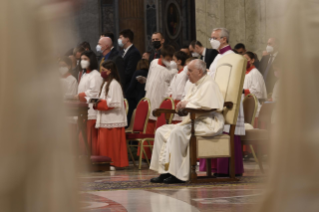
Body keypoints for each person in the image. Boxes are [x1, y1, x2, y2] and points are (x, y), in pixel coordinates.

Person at [149, 59, 225, 184]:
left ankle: (178, 174)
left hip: (209, 122)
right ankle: (165, 171)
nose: (187, 73)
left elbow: (208, 105)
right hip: (195, 121)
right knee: (161, 131)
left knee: (177, 132)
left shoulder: (209, 84)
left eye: (190, 70)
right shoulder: (196, 84)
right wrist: (182, 105)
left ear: (199, 72)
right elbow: (189, 102)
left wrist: (187, 104)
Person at [204, 28, 245, 177]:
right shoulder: (218, 56)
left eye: (214, 37)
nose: (211, 40)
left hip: (227, 99)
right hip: (217, 98)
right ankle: (216, 167)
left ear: (224, 39)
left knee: (227, 130)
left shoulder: (232, 57)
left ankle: (227, 168)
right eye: (211, 37)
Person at [143, 45, 178, 159]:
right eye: (167, 59)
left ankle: (158, 155)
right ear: (161, 56)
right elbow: (149, 78)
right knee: (148, 125)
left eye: (171, 59)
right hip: (150, 96)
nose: (169, 61)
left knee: (158, 125)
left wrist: (173, 67)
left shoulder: (172, 71)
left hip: (161, 99)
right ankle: (146, 155)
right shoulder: (153, 62)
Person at [94, 60, 129, 168]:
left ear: (109, 71)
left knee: (111, 144)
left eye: (103, 70)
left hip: (113, 119)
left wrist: (98, 104)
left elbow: (112, 103)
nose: (102, 72)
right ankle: (105, 163)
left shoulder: (114, 84)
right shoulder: (105, 83)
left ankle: (114, 162)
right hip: (106, 118)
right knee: (105, 143)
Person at [77, 50, 103, 155]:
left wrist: (79, 96)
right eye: (81, 59)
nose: (82, 61)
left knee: (90, 137)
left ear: (91, 60)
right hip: (83, 110)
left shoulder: (95, 75)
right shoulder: (84, 75)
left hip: (92, 110)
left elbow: (94, 93)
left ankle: (92, 156)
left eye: (85, 59)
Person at [166, 51, 189, 123]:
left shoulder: (184, 74)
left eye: (173, 59)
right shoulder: (177, 73)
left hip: (179, 103)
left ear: (179, 61)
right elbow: (171, 88)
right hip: (173, 102)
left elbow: (181, 90)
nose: (171, 62)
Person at [125, 59, 149, 125]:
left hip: (135, 99)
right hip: (145, 98)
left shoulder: (137, 72)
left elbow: (131, 86)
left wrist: (126, 94)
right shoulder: (149, 73)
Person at [243, 52, 267, 116]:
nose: (244, 61)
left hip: (253, 105)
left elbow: (258, 91)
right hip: (245, 104)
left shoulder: (255, 73)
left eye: (246, 59)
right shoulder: (246, 73)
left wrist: (244, 91)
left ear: (252, 60)